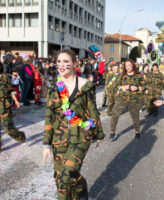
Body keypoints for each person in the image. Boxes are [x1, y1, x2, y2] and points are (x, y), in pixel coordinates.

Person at [42, 49, 104, 200]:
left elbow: (93, 111)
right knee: (59, 179)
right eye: (59, 62)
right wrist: (46, 144)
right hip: (59, 137)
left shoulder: (86, 86)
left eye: (66, 62)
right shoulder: (55, 88)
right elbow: (49, 117)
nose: (61, 65)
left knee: (68, 173)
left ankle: (81, 187)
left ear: (74, 64)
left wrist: (98, 134)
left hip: (81, 135)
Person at [109, 59, 146, 141]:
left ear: (132, 65)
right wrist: (122, 87)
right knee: (115, 113)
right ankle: (112, 132)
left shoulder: (138, 75)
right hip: (122, 98)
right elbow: (115, 85)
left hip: (134, 99)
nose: (128, 67)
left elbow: (144, 87)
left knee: (135, 116)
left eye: (129, 65)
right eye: (126, 66)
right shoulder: (121, 75)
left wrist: (137, 88)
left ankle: (137, 132)